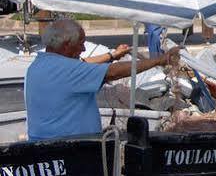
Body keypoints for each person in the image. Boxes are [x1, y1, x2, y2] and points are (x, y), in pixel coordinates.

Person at [25, 18, 181, 141]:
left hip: (48, 147)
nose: (84, 49)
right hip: (68, 151)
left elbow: (83, 65)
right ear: (66, 45)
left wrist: (113, 55)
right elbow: (112, 73)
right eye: (81, 44)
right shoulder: (66, 70)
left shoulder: (41, 65)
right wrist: (160, 60)